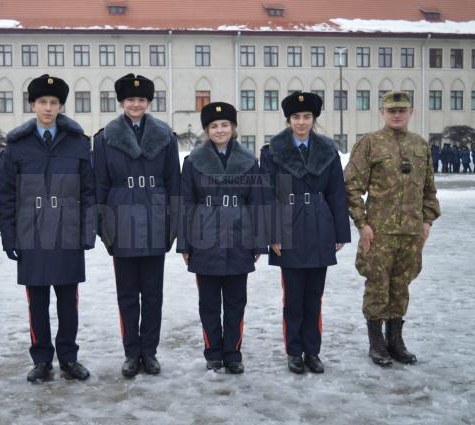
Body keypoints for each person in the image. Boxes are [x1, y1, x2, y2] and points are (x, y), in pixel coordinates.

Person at [0, 74, 95, 382]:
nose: (48, 108)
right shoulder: (17, 146)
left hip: (67, 231)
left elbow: (89, 192)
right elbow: (8, 195)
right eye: (42, 102)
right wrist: (9, 236)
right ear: (32, 104)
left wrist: (87, 232)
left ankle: (68, 358)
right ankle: (42, 360)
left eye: (54, 103)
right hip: (32, 232)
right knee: (37, 301)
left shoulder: (78, 143)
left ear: (60, 106)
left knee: (68, 301)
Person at [344, 91, 441, 367]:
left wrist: (426, 221)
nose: (397, 115)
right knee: (377, 286)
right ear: (382, 113)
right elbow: (351, 186)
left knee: (400, 286)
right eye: (391, 110)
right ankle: (376, 344)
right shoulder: (370, 144)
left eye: (402, 110)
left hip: (411, 232)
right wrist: (362, 224)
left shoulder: (421, 146)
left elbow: (429, 189)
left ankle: (395, 341)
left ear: (411, 112)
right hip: (379, 232)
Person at [93, 73, 180, 378]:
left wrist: (173, 223)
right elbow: (99, 183)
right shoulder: (105, 138)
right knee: (127, 293)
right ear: (121, 102)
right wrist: (103, 225)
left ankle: (150, 352)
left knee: (153, 293)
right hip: (121, 217)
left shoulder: (165, 136)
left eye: (141, 99)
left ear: (148, 102)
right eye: (130, 99)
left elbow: (174, 182)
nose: (135, 104)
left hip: (156, 217)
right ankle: (132, 352)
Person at [259, 91, 350, 374]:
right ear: (288, 120)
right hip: (289, 226)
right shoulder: (273, 151)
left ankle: (313, 351)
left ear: (314, 119)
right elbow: (269, 195)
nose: (302, 122)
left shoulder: (327, 150)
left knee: (315, 296)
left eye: (307, 117)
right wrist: (272, 232)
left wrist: (340, 232)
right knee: (294, 297)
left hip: (320, 225)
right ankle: (294, 351)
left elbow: (336, 192)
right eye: (296, 117)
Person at [177, 102, 264, 373]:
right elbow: (185, 203)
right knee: (209, 302)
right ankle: (213, 352)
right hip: (205, 238)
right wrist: (184, 243)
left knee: (237, 301)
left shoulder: (249, 161)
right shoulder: (193, 162)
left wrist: (259, 241)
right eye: (214, 126)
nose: (220, 130)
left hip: (240, 237)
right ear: (207, 130)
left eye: (225, 124)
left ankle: (233, 353)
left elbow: (258, 202)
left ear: (233, 127)